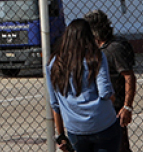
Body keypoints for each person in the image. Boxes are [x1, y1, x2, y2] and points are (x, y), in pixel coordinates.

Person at [49, 19, 120, 152]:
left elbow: (55, 103)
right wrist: (113, 99)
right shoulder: (96, 56)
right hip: (102, 122)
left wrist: (61, 135)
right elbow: (105, 92)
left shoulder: (54, 63)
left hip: (75, 127)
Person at [85, 10, 135, 152]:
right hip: (101, 110)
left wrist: (127, 106)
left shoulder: (114, 49)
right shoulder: (96, 49)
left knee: (119, 147)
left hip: (115, 110)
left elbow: (129, 77)